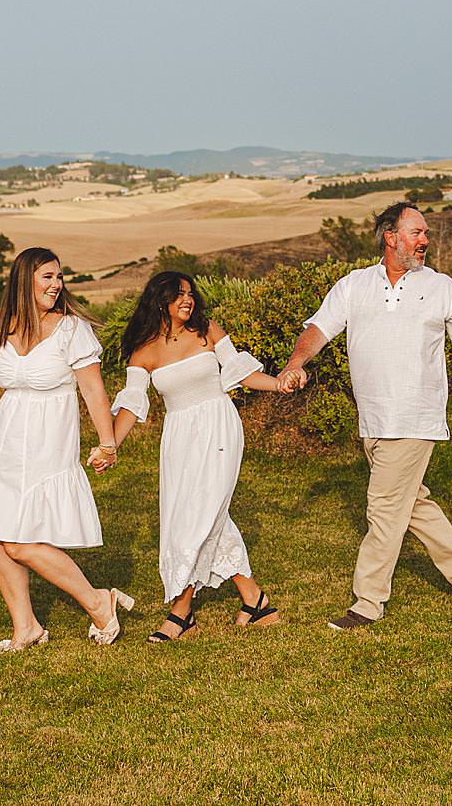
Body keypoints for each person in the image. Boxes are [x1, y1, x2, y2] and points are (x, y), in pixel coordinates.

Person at [278, 201, 452, 631]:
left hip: (415, 416)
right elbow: (318, 328)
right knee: (412, 504)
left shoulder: (441, 288)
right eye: (417, 232)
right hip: (374, 417)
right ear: (391, 237)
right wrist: (296, 363)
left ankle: (367, 603)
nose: (425, 241)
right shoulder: (354, 285)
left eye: (425, 234)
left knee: (383, 507)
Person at [0, 247, 134, 649]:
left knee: (21, 542)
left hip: (50, 440)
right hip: (6, 442)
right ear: (24, 280)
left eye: (59, 277)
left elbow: (93, 389)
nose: (56, 285)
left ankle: (98, 601)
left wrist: (107, 442)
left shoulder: (72, 330)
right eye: (47, 277)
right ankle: (25, 627)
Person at [104, 271, 286, 640]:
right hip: (179, 435)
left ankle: (181, 612)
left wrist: (279, 383)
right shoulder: (143, 351)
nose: (187, 299)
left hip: (218, 426)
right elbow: (131, 405)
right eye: (178, 294)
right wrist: (110, 446)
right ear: (160, 300)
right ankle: (255, 600)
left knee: (197, 516)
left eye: (190, 293)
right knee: (192, 515)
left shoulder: (207, 330)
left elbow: (241, 374)